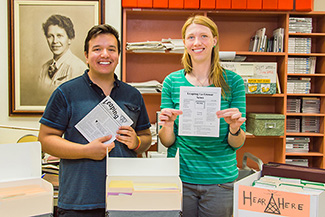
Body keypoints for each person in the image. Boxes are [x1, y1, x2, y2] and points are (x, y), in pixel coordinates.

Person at [38, 24, 152, 217]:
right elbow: (45, 139)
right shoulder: (66, 93)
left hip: (124, 199)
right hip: (79, 201)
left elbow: (146, 137)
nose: (105, 54)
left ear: (118, 55)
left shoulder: (132, 95)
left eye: (111, 49)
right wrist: (85, 151)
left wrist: (137, 142)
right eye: (97, 49)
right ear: (86, 55)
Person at [158, 15, 246, 217]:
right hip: (180, 178)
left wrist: (234, 128)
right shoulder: (172, 81)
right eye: (191, 37)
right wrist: (169, 125)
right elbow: (166, 141)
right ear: (184, 43)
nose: (197, 43)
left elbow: (237, 143)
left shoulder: (233, 82)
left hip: (220, 181)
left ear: (214, 40)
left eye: (204, 36)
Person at [38, 14, 87, 104]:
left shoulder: (79, 68)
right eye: (50, 36)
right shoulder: (44, 68)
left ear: (69, 39)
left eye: (59, 35)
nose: (55, 41)